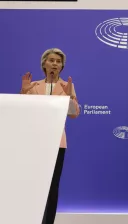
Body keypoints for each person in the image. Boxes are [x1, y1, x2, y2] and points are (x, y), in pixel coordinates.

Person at [20, 48, 80, 224]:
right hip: (35, 142)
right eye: (51, 60)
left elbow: (74, 114)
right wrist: (24, 93)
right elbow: (23, 111)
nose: (55, 64)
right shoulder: (33, 86)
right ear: (44, 64)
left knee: (52, 186)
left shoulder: (66, 86)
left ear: (62, 66)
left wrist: (69, 97)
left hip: (57, 143)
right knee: (35, 184)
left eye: (58, 61)